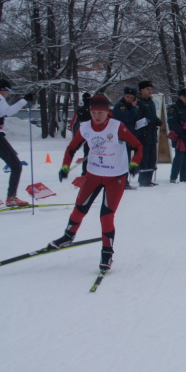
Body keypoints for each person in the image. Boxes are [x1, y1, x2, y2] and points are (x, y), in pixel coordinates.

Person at [49, 94, 143, 271]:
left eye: (101, 112)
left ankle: (107, 253)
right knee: (79, 209)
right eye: (93, 113)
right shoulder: (85, 127)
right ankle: (68, 236)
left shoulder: (117, 127)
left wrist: (134, 163)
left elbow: (138, 146)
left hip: (115, 177)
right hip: (93, 175)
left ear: (108, 112)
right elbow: (71, 148)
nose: (97, 116)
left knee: (106, 216)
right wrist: (65, 167)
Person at [0, 78, 31, 206]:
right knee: (16, 165)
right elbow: (8, 111)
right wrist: (24, 100)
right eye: (9, 91)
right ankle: (11, 198)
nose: (9, 94)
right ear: (3, 90)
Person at [134, 80, 162, 187]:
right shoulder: (139, 102)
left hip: (152, 133)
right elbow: (138, 119)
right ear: (142, 90)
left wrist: (157, 121)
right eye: (148, 89)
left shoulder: (150, 102)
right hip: (143, 133)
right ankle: (143, 179)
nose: (150, 91)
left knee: (152, 157)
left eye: (151, 89)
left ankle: (149, 178)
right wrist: (148, 123)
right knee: (144, 157)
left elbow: (153, 116)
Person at [111, 86, 140, 189]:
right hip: (121, 138)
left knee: (126, 160)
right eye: (127, 96)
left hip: (130, 136)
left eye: (131, 97)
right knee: (122, 161)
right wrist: (132, 108)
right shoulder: (120, 107)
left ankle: (124, 181)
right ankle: (120, 182)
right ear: (124, 96)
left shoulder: (132, 107)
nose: (129, 99)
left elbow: (136, 119)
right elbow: (127, 119)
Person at [168, 87, 186, 183]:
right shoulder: (174, 108)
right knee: (179, 157)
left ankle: (184, 176)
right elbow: (172, 122)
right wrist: (182, 132)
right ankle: (173, 177)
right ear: (179, 97)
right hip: (179, 136)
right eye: (184, 97)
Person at [69, 93, 92, 175]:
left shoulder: (80, 111)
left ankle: (85, 172)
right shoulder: (96, 110)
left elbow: (73, 124)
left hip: (86, 135)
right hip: (97, 134)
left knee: (87, 153)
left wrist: (75, 135)